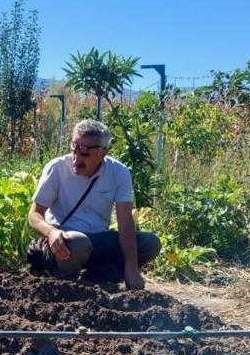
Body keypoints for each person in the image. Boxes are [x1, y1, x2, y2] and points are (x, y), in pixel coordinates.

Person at [28, 119, 160, 290]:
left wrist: (132, 270)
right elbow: (34, 215)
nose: (77, 158)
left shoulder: (119, 173)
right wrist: (51, 232)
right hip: (64, 243)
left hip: (98, 241)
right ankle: (64, 287)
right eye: (74, 149)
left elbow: (126, 224)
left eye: (85, 154)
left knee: (150, 243)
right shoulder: (56, 168)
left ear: (103, 152)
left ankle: (95, 281)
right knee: (79, 242)